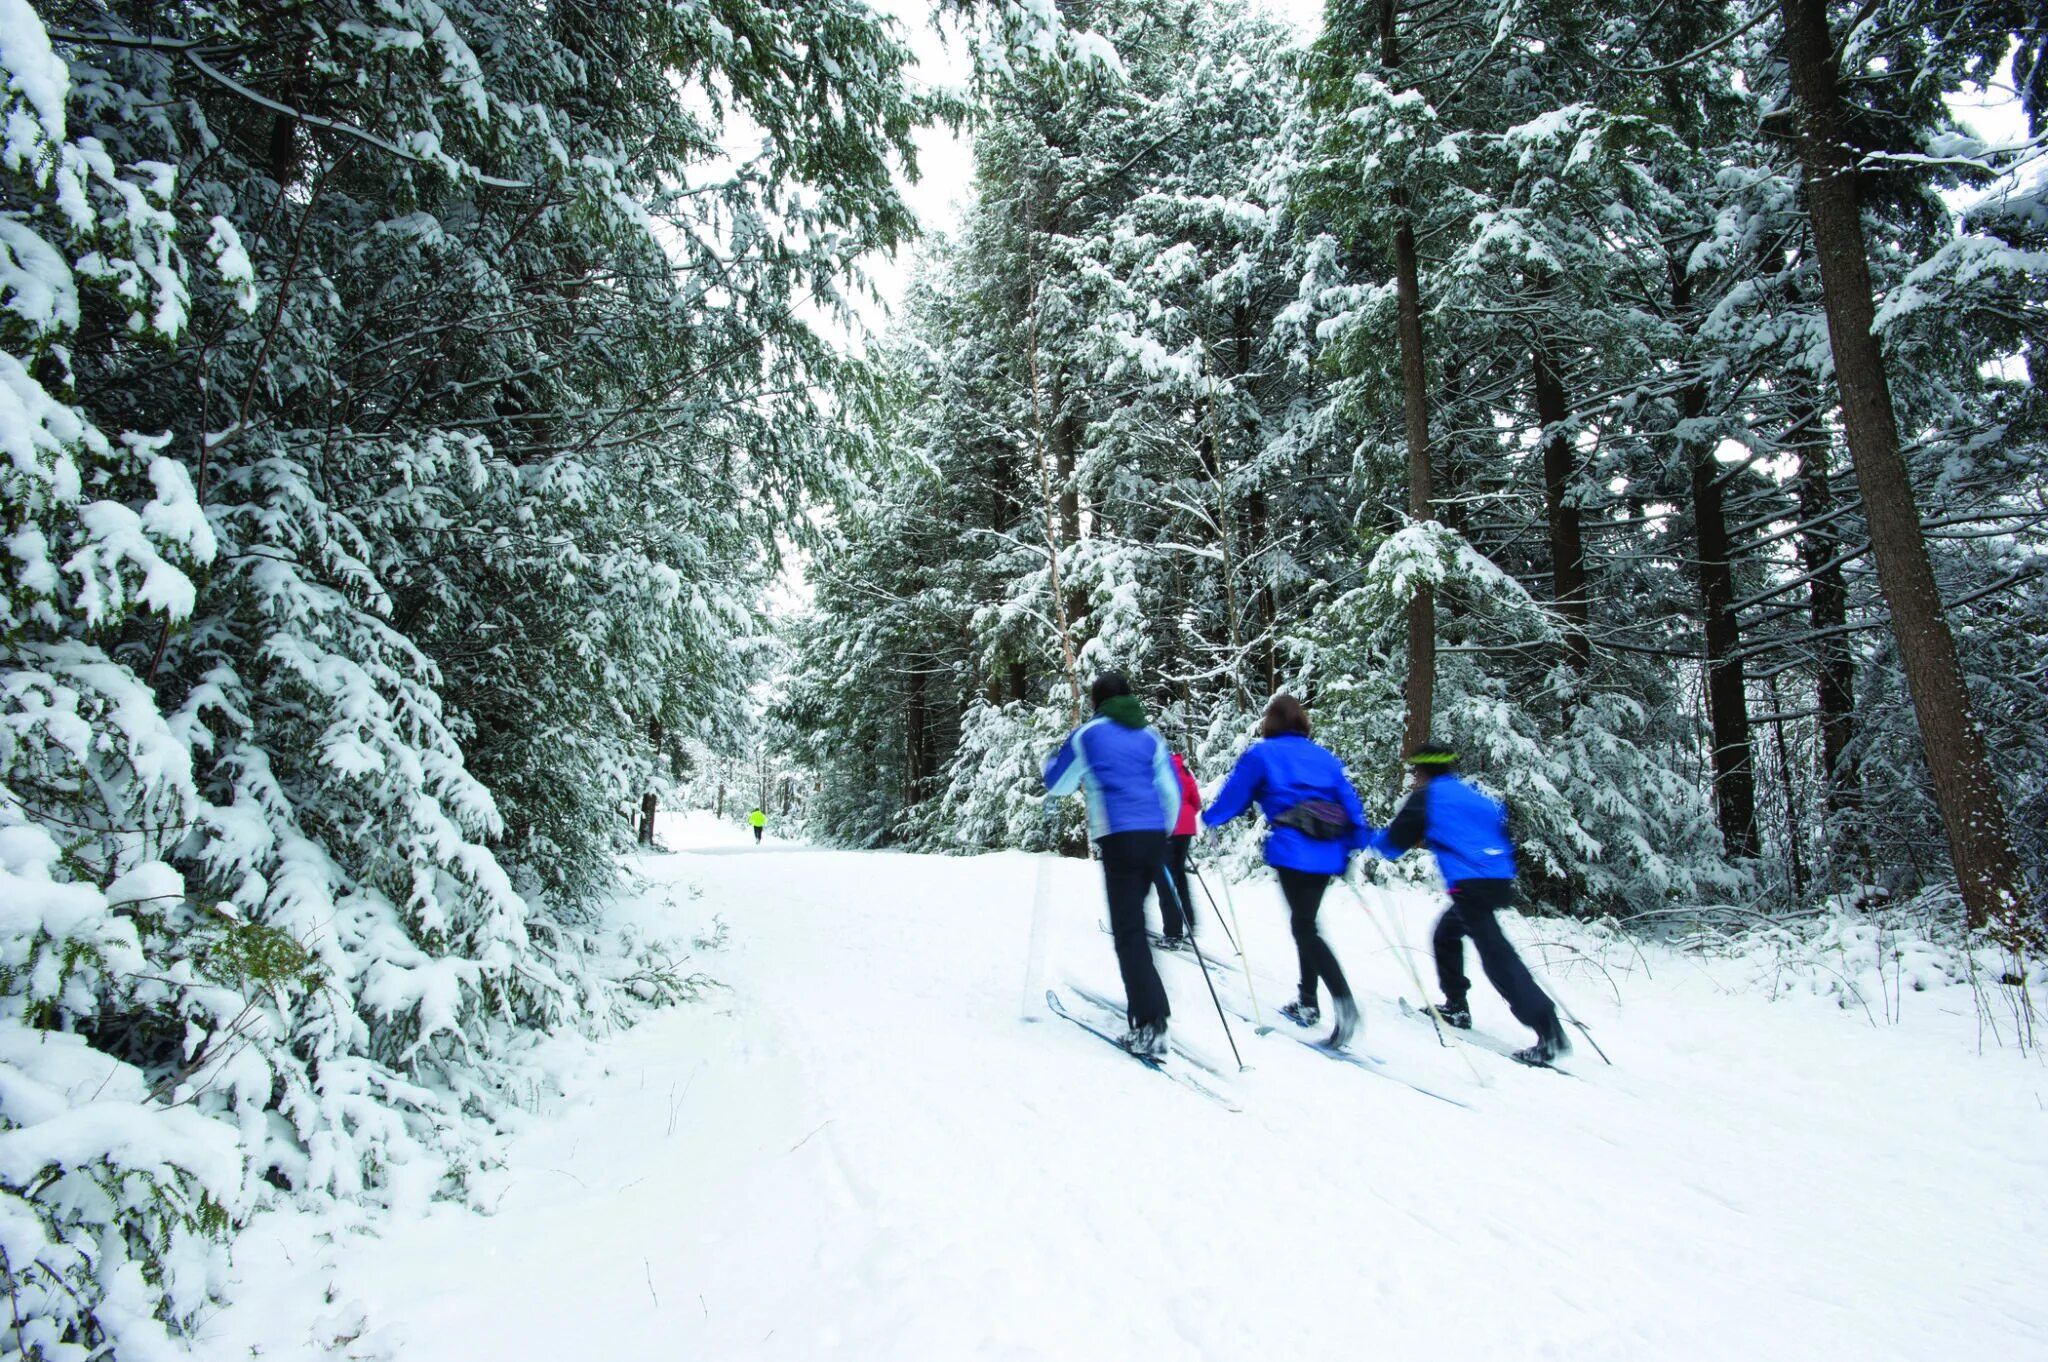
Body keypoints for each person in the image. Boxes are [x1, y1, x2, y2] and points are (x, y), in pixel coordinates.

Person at [1369, 742, 1570, 1066]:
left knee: (1497, 956)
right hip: (1498, 879)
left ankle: (1549, 1030)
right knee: (1446, 934)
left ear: (1422, 770)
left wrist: (1363, 838)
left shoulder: (1427, 798)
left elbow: (1393, 844)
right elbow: (1499, 832)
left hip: (1470, 885)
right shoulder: (1476, 796)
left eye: (1415, 770)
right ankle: (1456, 1007)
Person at [1201, 695, 1369, 1049]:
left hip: (1295, 851)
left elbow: (1236, 796)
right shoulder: (1325, 758)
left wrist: (1210, 817)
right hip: (1329, 852)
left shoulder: (1262, 754)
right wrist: (1356, 839)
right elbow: (1350, 804)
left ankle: (1344, 1002)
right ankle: (1307, 1002)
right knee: (1306, 923)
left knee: (1305, 927)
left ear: (1271, 722)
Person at [1044, 672, 1182, 1057]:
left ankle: (1152, 1023)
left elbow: (1059, 783)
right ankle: (1150, 1010)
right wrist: (1162, 834)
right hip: (1154, 836)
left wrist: (1047, 764)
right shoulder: (1150, 736)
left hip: (1119, 836)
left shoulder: (1089, 735)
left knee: (1130, 931)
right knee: (1137, 924)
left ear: (1097, 701)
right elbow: (1169, 790)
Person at [1152, 752, 1202, 948]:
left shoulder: (1156, 770)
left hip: (1166, 828)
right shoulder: (1184, 770)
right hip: (1186, 827)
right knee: (1179, 875)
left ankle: (1173, 932)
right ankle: (1189, 922)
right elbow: (1196, 801)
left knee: (1165, 879)